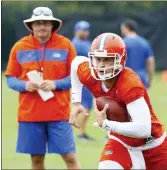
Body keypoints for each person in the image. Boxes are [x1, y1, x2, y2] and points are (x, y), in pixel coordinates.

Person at [69, 33, 167, 169]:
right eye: (98, 59)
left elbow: (144, 129)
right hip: (120, 141)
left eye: (107, 59)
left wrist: (107, 124)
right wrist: (75, 102)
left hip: (152, 145)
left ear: (120, 60)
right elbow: (76, 62)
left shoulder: (129, 83)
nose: (101, 65)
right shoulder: (90, 74)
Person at [5, 7, 80, 170]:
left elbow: (77, 76)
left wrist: (56, 84)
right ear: (31, 26)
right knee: (37, 160)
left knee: (70, 157)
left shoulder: (66, 45)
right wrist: (24, 85)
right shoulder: (19, 47)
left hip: (59, 113)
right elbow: (10, 79)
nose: (42, 27)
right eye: (37, 23)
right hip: (30, 115)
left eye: (46, 23)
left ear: (52, 25)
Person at [71, 21, 94, 141]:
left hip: (88, 78)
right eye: (83, 30)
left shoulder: (86, 42)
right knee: (84, 106)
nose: (86, 32)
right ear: (77, 30)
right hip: (82, 79)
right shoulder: (76, 43)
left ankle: (82, 132)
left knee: (87, 106)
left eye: (87, 30)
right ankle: (80, 133)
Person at [120, 19, 155, 89]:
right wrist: (150, 80)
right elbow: (150, 61)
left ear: (126, 28)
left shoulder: (122, 43)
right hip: (141, 77)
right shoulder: (144, 42)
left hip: (126, 77)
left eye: (122, 28)